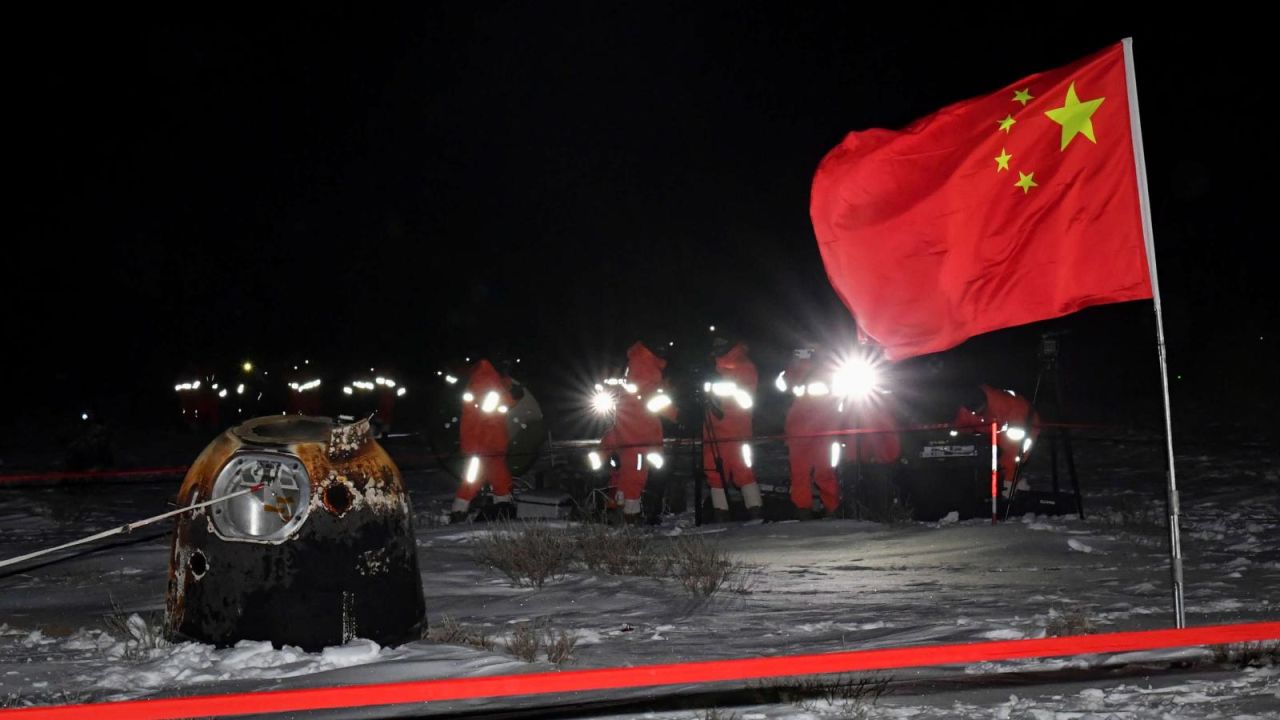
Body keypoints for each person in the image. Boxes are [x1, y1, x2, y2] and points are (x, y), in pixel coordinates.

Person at [598, 341, 676, 523]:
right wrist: (679, 415)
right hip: (640, 436)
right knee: (635, 476)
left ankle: (615, 509)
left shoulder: (635, 363)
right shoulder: (646, 369)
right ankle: (630, 516)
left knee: (621, 473)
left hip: (624, 432)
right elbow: (655, 401)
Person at [702, 338, 763, 521]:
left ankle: (756, 514)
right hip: (713, 431)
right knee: (713, 472)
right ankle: (721, 515)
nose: (717, 344)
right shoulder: (710, 368)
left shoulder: (745, 366)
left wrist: (722, 392)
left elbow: (747, 401)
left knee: (744, 472)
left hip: (738, 432)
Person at [780, 347, 844, 518]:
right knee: (806, 473)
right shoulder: (791, 371)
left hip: (818, 431)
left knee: (822, 472)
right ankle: (808, 510)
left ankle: (826, 508)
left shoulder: (828, 372)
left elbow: (838, 397)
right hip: (805, 431)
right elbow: (781, 388)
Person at [451, 359, 516, 522]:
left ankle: (500, 507)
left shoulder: (486, 379)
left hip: (483, 442)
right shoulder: (485, 380)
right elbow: (489, 411)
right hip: (484, 442)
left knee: (490, 477)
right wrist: (511, 398)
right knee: (477, 478)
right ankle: (462, 511)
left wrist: (507, 388)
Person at [954, 384, 1041, 496]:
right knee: (977, 457)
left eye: (978, 411)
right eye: (972, 412)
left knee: (1012, 459)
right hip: (992, 433)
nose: (975, 414)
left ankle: (1012, 491)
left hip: (1024, 426)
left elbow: (1016, 442)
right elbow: (960, 429)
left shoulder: (1007, 404)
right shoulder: (967, 408)